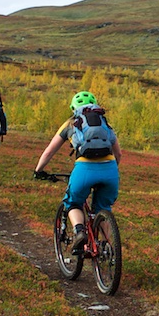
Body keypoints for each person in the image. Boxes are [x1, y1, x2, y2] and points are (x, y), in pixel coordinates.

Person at [34, 90, 122, 251]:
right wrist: (112, 170)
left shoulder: (71, 123)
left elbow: (49, 151)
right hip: (110, 169)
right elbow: (118, 153)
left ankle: (79, 231)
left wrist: (38, 170)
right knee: (103, 208)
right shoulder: (104, 122)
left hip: (85, 168)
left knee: (73, 202)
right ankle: (110, 249)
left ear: (73, 108)